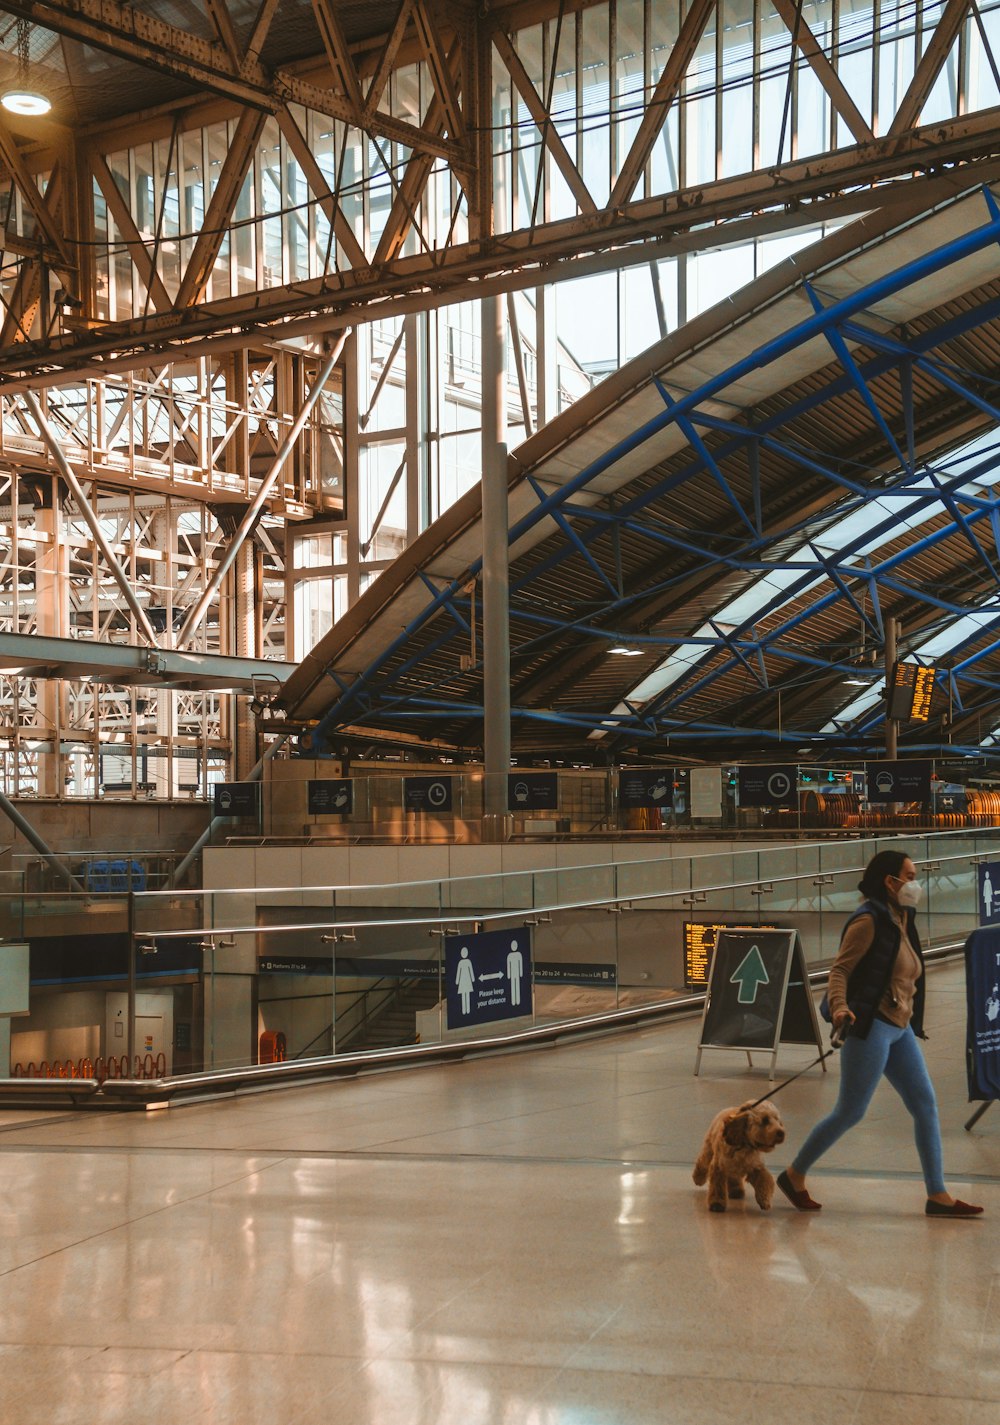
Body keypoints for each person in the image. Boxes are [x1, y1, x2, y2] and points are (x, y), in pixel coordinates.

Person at [778, 849, 983, 1218]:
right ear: (889, 881)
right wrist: (840, 1007)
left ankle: (937, 1195)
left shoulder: (901, 916)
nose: (914, 883)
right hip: (869, 1027)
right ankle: (794, 1175)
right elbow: (839, 971)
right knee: (851, 1111)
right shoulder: (868, 921)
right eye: (909, 875)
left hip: (898, 1027)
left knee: (925, 1105)